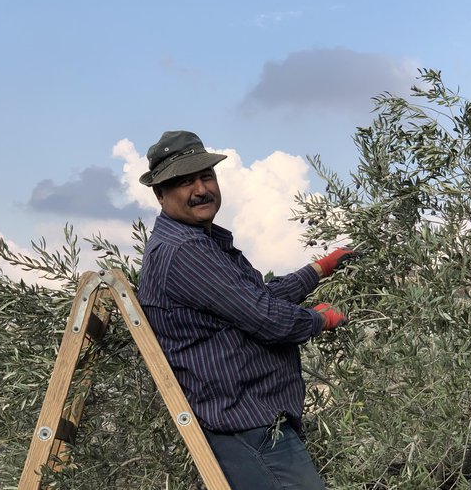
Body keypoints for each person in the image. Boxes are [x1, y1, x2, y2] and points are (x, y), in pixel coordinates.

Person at [137, 130, 355, 490]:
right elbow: (266, 318)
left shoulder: (200, 243)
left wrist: (319, 269)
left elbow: (252, 299)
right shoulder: (185, 252)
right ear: (160, 194)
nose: (201, 189)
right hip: (245, 426)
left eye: (206, 176)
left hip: (255, 422)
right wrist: (320, 320)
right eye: (185, 182)